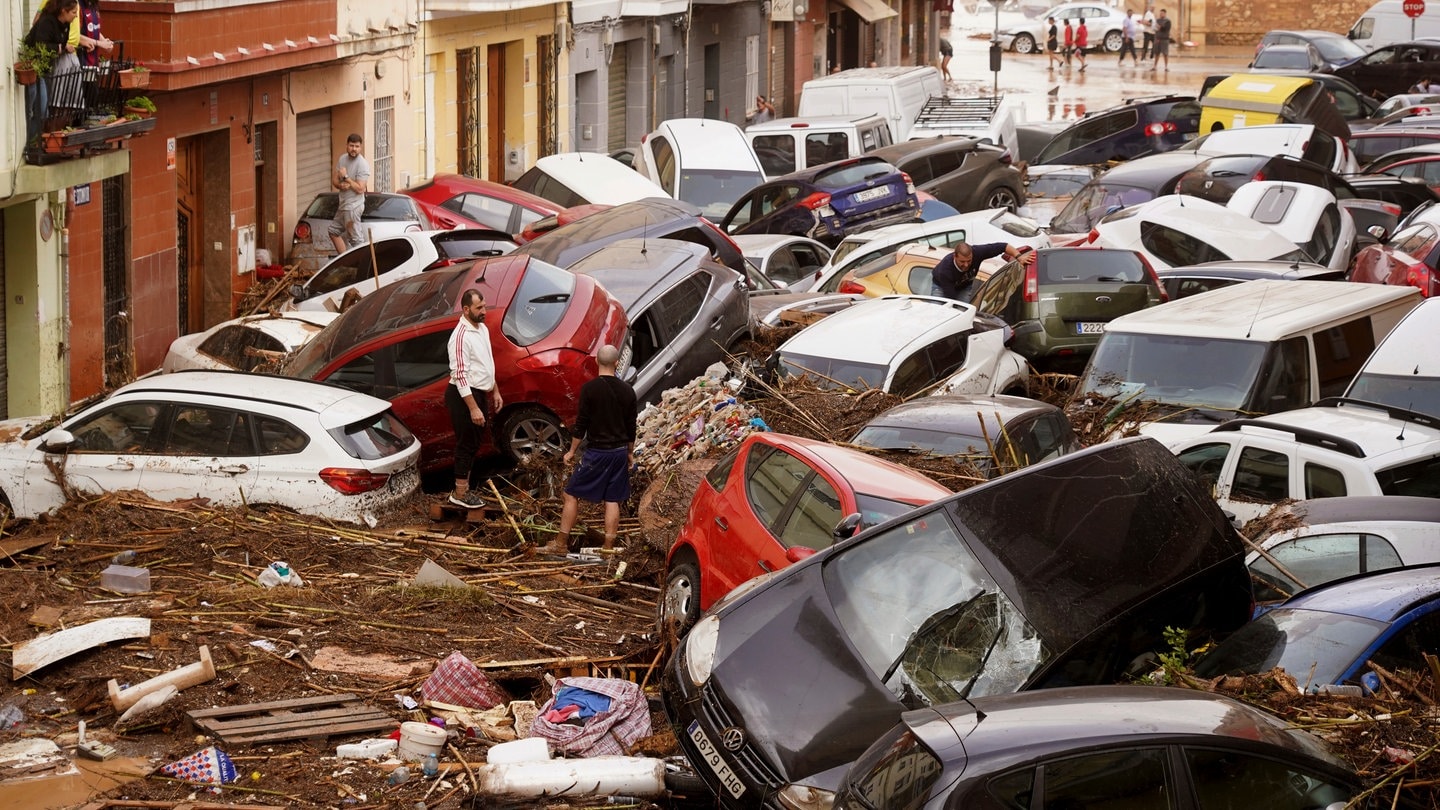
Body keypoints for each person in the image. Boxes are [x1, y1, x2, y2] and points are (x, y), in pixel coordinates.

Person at [544, 345, 637, 555]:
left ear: (596, 362)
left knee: (570, 494)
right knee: (612, 500)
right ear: (617, 363)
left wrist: (571, 451)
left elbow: (581, 425)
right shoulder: (628, 391)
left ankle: (560, 543)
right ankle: (608, 547)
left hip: (597, 453)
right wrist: (629, 452)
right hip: (619, 452)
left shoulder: (589, 389)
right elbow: (631, 426)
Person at [445, 289, 504, 509]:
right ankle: (460, 493)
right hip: (463, 396)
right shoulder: (460, 337)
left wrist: (494, 389)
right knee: (467, 443)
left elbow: (487, 363)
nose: (484, 311)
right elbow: (460, 375)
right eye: (479, 308)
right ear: (466, 309)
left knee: (476, 441)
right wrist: (473, 408)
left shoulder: (482, 329)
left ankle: (465, 488)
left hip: (479, 392)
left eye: (484, 306)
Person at [23, 0, 79, 149]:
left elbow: (61, 43)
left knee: (43, 110)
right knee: (35, 106)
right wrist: (60, 47)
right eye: (73, 12)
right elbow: (40, 44)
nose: (75, 16)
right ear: (63, 11)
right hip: (34, 66)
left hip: (47, 67)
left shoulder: (65, 25)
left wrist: (62, 47)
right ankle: (29, 143)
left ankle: (32, 142)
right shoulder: (47, 22)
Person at [932, 241, 1036, 302]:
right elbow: (951, 300)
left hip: (964, 285)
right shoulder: (945, 270)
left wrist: (1019, 257)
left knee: (963, 312)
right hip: (941, 286)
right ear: (955, 256)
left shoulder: (978, 252)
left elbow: (1004, 246)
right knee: (942, 312)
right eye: (962, 262)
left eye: (969, 261)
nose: (966, 265)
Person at [329, 133, 371, 253]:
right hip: (343, 204)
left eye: (357, 146)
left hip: (353, 207)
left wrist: (346, 177)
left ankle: (363, 268)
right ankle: (344, 262)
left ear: (360, 147)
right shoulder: (343, 159)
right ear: (347, 145)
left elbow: (360, 189)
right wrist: (340, 185)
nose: (354, 149)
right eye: (351, 145)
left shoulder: (362, 164)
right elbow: (335, 180)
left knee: (356, 241)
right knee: (333, 231)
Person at [1151, 8, 1172, 72]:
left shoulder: (1168, 21)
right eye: (1160, 13)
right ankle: (1154, 66)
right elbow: (1155, 28)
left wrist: (1158, 26)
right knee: (1157, 53)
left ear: (1165, 14)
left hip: (1165, 39)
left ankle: (1166, 67)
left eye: (1162, 13)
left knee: (1165, 53)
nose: (1161, 14)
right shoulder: (1157, 20)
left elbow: (1164, 29)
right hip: (1157, 39)